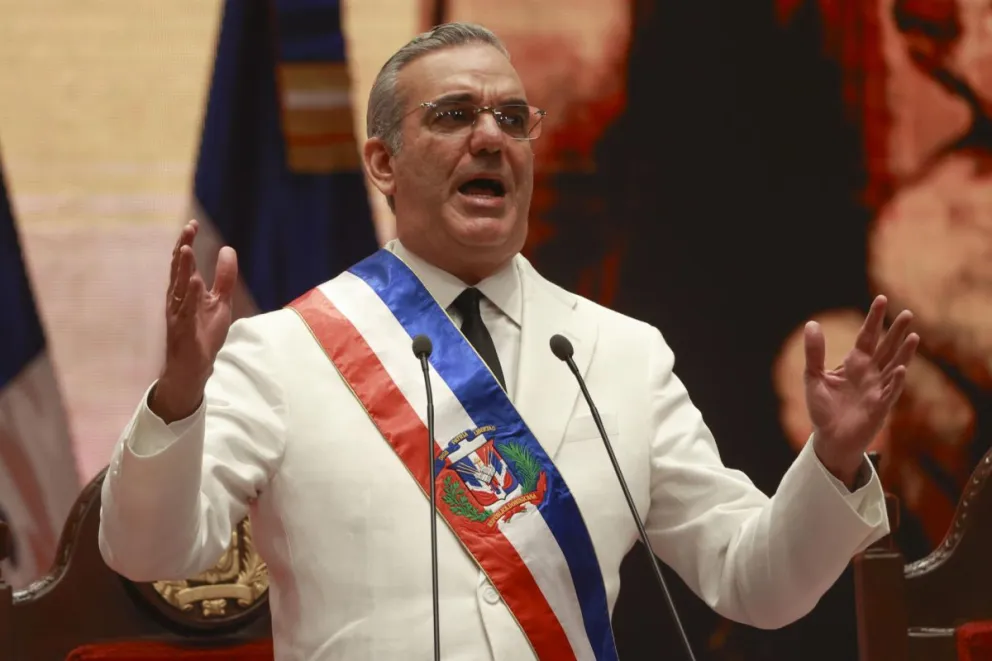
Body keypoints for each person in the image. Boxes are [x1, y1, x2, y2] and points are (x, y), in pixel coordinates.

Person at [98, 22, 919, 661]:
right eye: (454, 115)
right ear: (381, 162)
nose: (490, 137)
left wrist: (833, 458)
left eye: (512, 118)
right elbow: (148, 550)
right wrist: (178, 398)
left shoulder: (621, 354)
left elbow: (756, 582)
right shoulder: (284, 352)